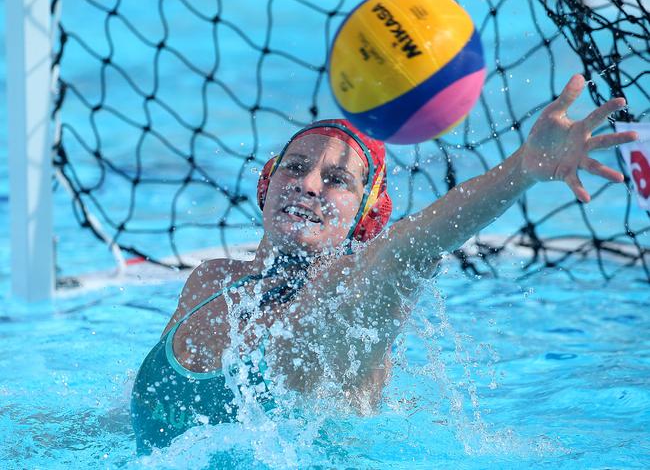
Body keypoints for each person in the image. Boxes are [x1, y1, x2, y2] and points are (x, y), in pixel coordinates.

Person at [131, 74, 637, 453]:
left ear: (367, 218)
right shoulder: (210, 282)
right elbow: (142, 423)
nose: (308, 185)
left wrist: (520, 171)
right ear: (267, 184)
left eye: (337, 180)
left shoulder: (350, 303)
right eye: (297, 167)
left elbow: (413, 247)